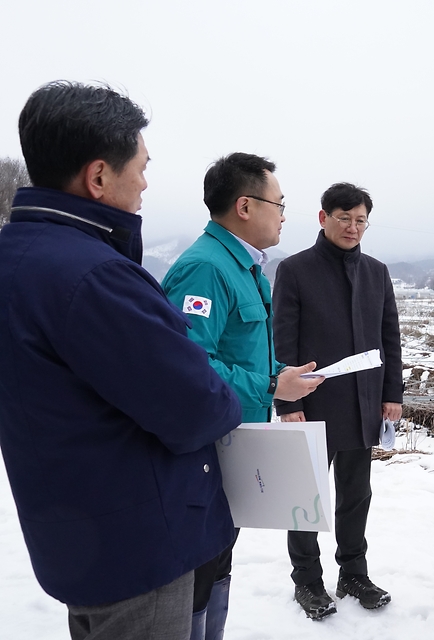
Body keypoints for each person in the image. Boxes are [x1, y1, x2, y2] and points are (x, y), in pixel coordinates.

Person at [0, 81, 243, 640]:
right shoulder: (94, 277)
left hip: (76, 531)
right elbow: (196, 405)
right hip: (139, 545)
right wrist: (228, 389)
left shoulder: (19, 255)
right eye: (141, 165)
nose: (146, 182)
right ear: (99, 176)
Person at [162, 153, 323, 638]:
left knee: (219, 558)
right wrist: (272, 385)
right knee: (201, 564)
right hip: (206, 445)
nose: (283, 215)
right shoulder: (205, 270)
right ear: (245, 206)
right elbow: (188, 364)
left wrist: (279, 373)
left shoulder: (243, 267)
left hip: (234, 440)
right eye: (279, 203)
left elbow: (239, 352)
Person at [273, 182, 403, 620]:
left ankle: (353, 573)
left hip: (362, 402)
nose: (352, 227)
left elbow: (389, 338)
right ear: (323, 217)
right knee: (305, 496)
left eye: (360, 219)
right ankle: (307, 580)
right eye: (344, 217)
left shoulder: (376, 271)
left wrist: (392, 394)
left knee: (356, 494)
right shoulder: (294, 270)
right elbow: (283, 339)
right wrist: (287, 403)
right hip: (311, 404)